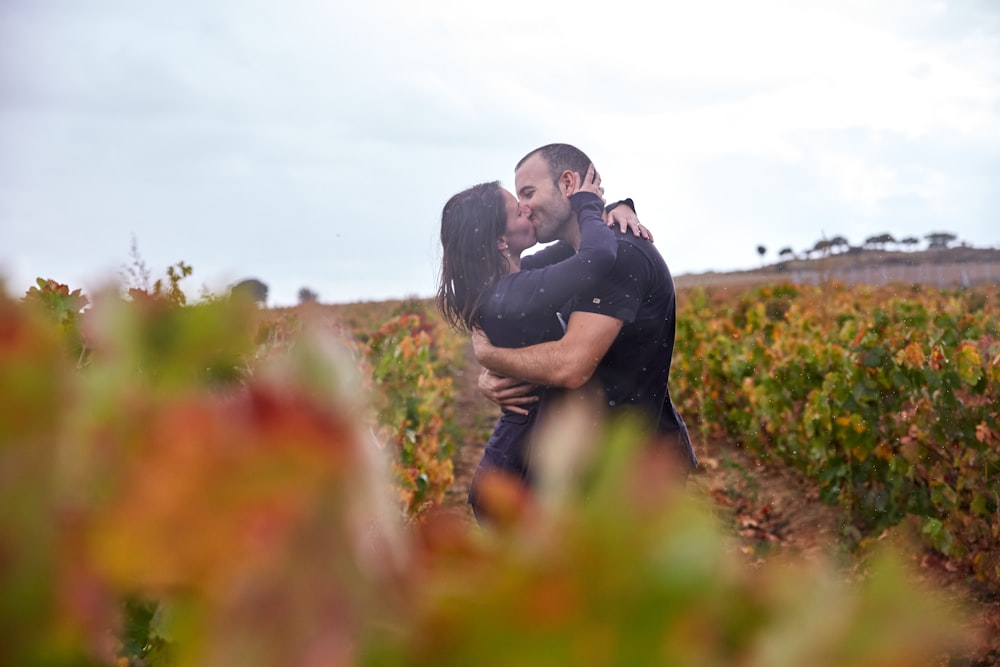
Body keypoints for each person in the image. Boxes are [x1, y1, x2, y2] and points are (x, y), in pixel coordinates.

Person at [472, 143, 699, 479]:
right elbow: (494, 296)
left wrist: (490, 356)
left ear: (567, 184)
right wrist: (489, 376)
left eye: (529, 192)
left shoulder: (620, 256)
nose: (523, 207)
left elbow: (570, 365)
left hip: (632, 472)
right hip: (591, 464)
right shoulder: (571, 258)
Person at [437, 165, 648, 523]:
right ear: (500, 241)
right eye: (517, 210)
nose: (527, 208)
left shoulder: (508, 284)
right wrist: (586, 201)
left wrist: (619, 207)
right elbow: (595, 258)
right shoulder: (513, 294)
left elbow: (575, 246)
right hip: (517, 475)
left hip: (518, 463)